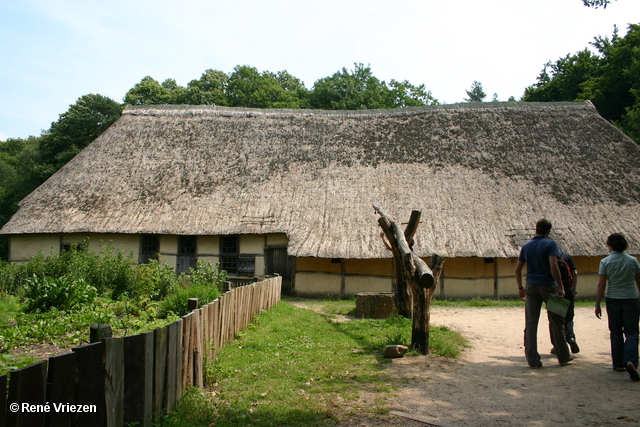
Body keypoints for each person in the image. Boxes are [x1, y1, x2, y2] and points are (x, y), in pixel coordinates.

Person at [515, 219, 573, 368]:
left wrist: (520, 287)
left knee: (531, 322)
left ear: (536, 229)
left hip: (531, 286)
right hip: (549, 285)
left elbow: (517, 269)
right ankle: (563, 356)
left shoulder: (526, 246)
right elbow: (553, 265)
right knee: (556, 320)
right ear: (549, 231)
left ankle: (533, 360)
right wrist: (560, 286)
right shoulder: (551, 244)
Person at [595, 233, 640, 381]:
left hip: (613, 298)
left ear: (610, 245)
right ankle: (630, 361)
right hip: (631, 298)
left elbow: (602, 284)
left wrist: (597, 304)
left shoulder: (605, 261)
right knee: (632, 333)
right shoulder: (633, 261)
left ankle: (618, 364)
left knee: (615, 331)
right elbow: (638, 281)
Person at [550, 250, 580, 354]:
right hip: (568, 289)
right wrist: (574, 288)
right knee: (569, 318)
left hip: (556, 290)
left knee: (555, 319)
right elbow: (574, 272)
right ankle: (571, 338)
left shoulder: (549, 256)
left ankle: (557, 345)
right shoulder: (566, 255)